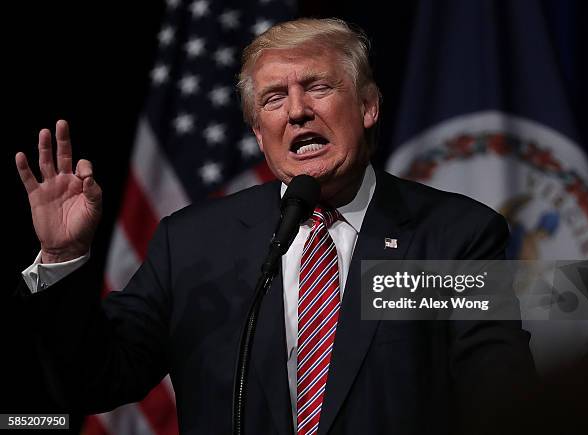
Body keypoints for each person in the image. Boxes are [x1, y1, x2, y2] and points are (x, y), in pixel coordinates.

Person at [14, 18, 535, 435]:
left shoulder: (453, 234)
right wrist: (63, 258)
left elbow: (498, 397)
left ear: (369, 106)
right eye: (273, 99)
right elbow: (97, 380)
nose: (298, 112)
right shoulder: (193, 242)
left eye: (319, 87)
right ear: (260, 136)